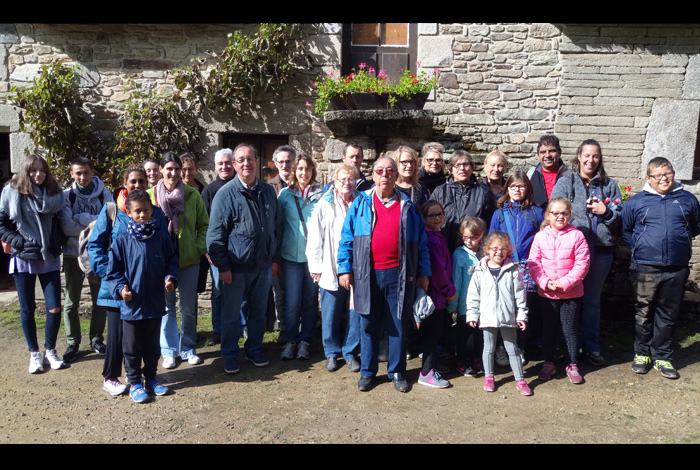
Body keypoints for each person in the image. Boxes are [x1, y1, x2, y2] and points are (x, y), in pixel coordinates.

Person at [337, 156, 431, 393]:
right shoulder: (361, 203)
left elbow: (421, 242)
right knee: (368, 324)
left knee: (397, 324)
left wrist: (423, 272)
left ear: (395, 175)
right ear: (374, 175)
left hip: (399, 275)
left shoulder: (408, 205)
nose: (385, 175)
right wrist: (345, 268)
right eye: (380, 171)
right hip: (366, 274)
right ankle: (368, 372)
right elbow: (347, 238)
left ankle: (397, 371)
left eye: (390, 170)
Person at [89, 167, 169, 396]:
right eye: (132, 181)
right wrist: (111, 276)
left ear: (147, 184)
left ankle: (146, 378)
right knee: (118, 337)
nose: (137, 184)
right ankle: (111, 377)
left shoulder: (156, 213)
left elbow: (164, 248)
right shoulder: (112, 210)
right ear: (125, 183)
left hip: (146, 289)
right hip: (118, 287)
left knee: (145, 337)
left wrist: (163, 276)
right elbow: (96, 245)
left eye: (141, 181)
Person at [206, 143, 281, 374]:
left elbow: (275, 227)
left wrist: (274, 258)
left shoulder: (268, 191)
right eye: (241, 160)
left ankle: (254, 350)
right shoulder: (225, 194)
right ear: (235, 165)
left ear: (256, 162)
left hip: (262, 266)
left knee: (258, 312)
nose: (246, 163)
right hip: (235, 268)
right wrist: (223, 267)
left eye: (250, 159)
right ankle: (229, 354)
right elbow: (215, 236)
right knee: (230, 316)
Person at [622, 157, 700, 379]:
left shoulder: (687, 199)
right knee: (643, 312)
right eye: (658, 175)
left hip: (676, 267)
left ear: (673, 174)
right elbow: (627, 231)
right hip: (645, 266)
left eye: (668, 173)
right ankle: (641, 354)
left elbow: (695, 227)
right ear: (649, 178)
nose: (664, 178)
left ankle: (662, 356)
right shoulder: (636, 202)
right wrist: (645, 246)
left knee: (668, 314)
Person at [551, 139, 622, 367]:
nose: (591, 160)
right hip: (570, 253)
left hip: (601, 252)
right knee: (568, 301)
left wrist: (606, 211)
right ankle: (566, 349)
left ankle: (591, 348)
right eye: (587, 155)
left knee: (592, 302)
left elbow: (619, 220)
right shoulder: (566, 181)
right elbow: (555, 211)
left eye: (595, 156)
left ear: (599, 159)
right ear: (579, 156)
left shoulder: (609, 185)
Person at [105, 189, 179, 403]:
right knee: (132, 347)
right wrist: (121, 289)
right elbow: (113, 272)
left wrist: (170, 278)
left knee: (152, 345)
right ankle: (135, 382)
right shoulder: (122, 240)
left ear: (152, 210)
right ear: (129, 212)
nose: (142, 215)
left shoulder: (161, 236)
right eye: (137, 211)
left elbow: (171, 261)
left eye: (146, 210)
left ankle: (152, 378)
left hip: (154, 303)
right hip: (132, 306)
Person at [0, 154, 66, 374]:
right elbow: (1, 225)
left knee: (54, 306)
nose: (38, 174)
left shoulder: (55, 193)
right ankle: (34, 354)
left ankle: (50, 350)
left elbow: (61, 222)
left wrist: (58, 242)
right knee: (27, 309)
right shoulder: (11, 191)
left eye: (42, 170)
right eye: (33, 170)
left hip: (49, 258)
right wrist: (19, 242)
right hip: (23, 258)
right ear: (26, 171)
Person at [148, 152, 209, 369]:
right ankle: (169, 351)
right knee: (167, 307)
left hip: (189, 259)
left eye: (177, 168)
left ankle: (189, 348)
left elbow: (204, 224)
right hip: (162, 262)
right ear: (161, 170)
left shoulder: (192, 194)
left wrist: (199, 246)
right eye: (170, 169)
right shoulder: (151, 196)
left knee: (189, 307)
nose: (174, 173)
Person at [528, 197, 590, 384]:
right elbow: (534, 263)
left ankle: (571, 363)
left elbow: (583, 263)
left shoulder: (577, 235)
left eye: (564, 213)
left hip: (570, 292)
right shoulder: (540, 236)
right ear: (548, 215)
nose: (560, 216)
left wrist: (564, 283)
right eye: (555, 213)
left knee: (569, 329)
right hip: (547, 292)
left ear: (569, 215)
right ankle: (549, 362)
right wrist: (545, 282)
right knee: (549, 328)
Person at [306, 164, 362, 372]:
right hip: (331, 266)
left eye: (350, 179)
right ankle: (331, 352)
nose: (346, 183)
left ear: (356, 181)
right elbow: (314, 237)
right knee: (330, 311)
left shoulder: (362, 202)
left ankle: (350, 352)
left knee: (354, 311)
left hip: (357, 267)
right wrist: (316, 266)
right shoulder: (324, 204)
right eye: (342, 179)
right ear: (335, 182)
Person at [58, 157, 113, 362]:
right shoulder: (67, 196)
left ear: (92, 172)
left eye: (86, 172)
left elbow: (108, 221)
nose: (82, 177)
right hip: (73, 254)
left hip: (97, 254)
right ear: (72, 174)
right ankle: (73, 342)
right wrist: (93, 222)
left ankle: (97, 339)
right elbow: (66, 227)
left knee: (100, 298)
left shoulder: (104, 194)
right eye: (78, 173)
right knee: (71, 301)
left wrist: (79, 218)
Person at [467, 231, 531, 396]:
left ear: (507, 251)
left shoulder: (513, 270)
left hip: (508, 317)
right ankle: (489, 377)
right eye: (495, 248)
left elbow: (520, 295)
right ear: (488, 249)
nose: (499, 252)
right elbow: (473, 295)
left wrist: (521, 315)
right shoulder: (480, 271)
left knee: (513, 349)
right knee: (488, 348)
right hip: (487, 318)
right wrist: (472, 315)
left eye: (503, 249)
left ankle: (520, 379)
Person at [489, 171, 544, 362]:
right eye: (513, 186)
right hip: (506, 266)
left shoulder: (536, 213)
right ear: (507, 189)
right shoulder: (499, 213)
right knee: (505, 308)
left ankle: (521, 348)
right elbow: (492, 240)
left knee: (524, 308)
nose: (517, 189)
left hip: (529, 267)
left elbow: (543, 239)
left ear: (528, 188)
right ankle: (502, 349)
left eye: (521, 186)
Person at [278, 154, 324, 360]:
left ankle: (305, 340)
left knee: (310, 301)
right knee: (292, 301)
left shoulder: (322, 195)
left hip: (313, 258)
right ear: (294, 171)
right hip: (290, 257)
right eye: (300, 169)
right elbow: (277, 226)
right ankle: (290, 340)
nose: (303, 173)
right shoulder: (285, 195)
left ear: (312, 171)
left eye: (307, 169)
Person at [417, 200, 456, 389]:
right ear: (424, 218)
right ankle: (426, 372)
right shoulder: (431, 239)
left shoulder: (437, 236)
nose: (438, 218)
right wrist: (450, 290)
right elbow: (438, 271)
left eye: (440, 214)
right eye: (433, 215)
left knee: (437, 331)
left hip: (439, 295)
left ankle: (433, 364)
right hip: (435, 294)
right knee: (432, 334)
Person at [201, 148, 236, 346]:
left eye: (227, 162)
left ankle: (241, 327)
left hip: (239, 252)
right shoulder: (209, 190)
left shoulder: (241, 186)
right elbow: (204, 224)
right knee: (218, 291)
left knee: (241, 291)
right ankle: (218, 329)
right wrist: (208, 251)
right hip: (218, 252)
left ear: (234, 164)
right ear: (215, 166)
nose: (224, 166)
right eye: (220, 163)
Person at [430, 149, 496, 254]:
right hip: (443, 250)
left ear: (472, 167)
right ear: (451, 169)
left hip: (473, 253)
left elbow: (489, 225)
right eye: (457, 165)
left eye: (465, 164)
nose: (462, 168)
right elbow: (429, 222)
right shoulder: (440, 192)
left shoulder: (483, 193)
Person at [447, 216, 486, 377]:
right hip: (465, 305)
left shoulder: (486, 253)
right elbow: (456, 281)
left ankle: (477, 358)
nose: (469, 241)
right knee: (464, 335)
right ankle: (461, 361)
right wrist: (453, 305)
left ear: (482, 235)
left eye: (473, 237)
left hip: (484, 305)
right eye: (466, 237)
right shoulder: (459, 254)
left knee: (480, 335)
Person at [266, 145, 296, 341]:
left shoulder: (302, 184)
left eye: (288, 161)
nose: (285, 164)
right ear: (275, 163)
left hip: (297, 248)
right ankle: (284, 328)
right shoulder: (267, 188)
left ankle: (298, 327)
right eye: (281, 161)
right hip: (276, 248)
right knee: (280, 292)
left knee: (298, 291)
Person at [527, 135, 567, 210]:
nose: (547, 155)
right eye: (543, 152)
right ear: (538, 155)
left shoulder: (570, 174)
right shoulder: (531, 174)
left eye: (552, 151)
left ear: (559, 152)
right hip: (538, 220)